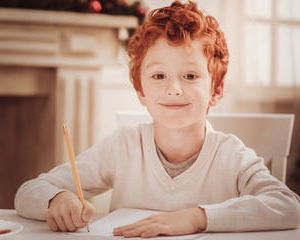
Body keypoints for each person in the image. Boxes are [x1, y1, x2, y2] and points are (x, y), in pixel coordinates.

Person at [15, 0, 300, 238]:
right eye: (158, 76)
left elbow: (288, 206)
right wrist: (58, 199)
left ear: (216, 90)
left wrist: (197, 218)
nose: (173, 88)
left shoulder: (231, 156)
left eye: (190, 76)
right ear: (140, 90)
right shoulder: (122, 147)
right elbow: (27, 192)